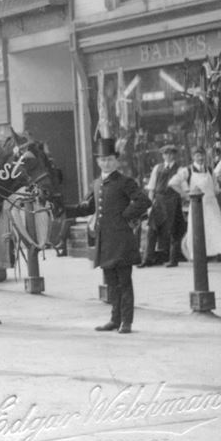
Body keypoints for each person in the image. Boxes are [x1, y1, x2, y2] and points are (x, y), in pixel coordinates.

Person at [66, 137, 150, 334]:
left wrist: (125, 215)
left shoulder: (125, 181)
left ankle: (126, 322)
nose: (106, 163)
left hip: (121, 240)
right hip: (105, 241)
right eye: (103, 160)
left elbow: (144, 201)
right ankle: (115, 319)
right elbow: (88, 207)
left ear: (117, 161)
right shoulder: (96, 183)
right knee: (111, 282)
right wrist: (64, 210)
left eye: (110, 159)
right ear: (97, 162)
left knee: (124, 282)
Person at [169, 147, 221, 262]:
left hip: (212, 207)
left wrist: (220, 190)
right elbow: (173, 182)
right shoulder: (188, 170)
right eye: (197, 155)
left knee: (219, 231)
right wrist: (185, 194)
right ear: (193, 157)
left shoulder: (210, 170)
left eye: (202, 155)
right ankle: (199, 259)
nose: (200, 158)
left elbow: (215, 188)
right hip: (197, 207)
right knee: (197, 232)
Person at [141, 145, 186, 267]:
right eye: (166, 154)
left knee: (173, 231)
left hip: (173, 201)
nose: (169, 156)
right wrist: (150, 206)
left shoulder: (180, 169)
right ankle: (147, 259)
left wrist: (182, 196)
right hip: (159, 201)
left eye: (171, 154)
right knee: (152, 230)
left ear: (174, 155)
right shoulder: (157, 168)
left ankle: (173, 259)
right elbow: (151, 187)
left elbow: (183, 187)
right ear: (162, 155)